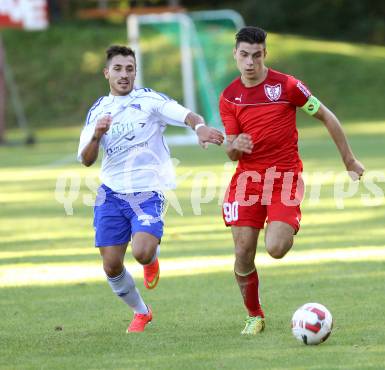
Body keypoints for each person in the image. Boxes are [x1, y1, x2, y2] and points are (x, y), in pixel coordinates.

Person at [219, 27, 365, 335]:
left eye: (256, 56)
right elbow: (231, 150)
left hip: (284, 179)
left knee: (276, 247)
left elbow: (326, 115)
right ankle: (254, 314)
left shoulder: (287, 86)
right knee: (243, 253)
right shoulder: (230, 96)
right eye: (244, 55)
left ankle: (284, 221)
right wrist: (235, 146)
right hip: (247, 183)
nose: (250, 63)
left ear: (265, 55)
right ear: (235, 55)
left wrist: (349, 160)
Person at [78, 45, 224, 333]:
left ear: (135, 72)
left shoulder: (148, 101)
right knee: (111, 266)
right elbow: (86, 159)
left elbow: (187, 115)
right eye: (118, 69)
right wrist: (97, 135)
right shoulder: (99, 111)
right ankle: (141, 312)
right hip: (111, 193)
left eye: (129, 68)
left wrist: (200, 128)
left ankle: (151, 259)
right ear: (107, 72)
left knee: (143, 252)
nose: (124, 74)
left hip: (148, 191)